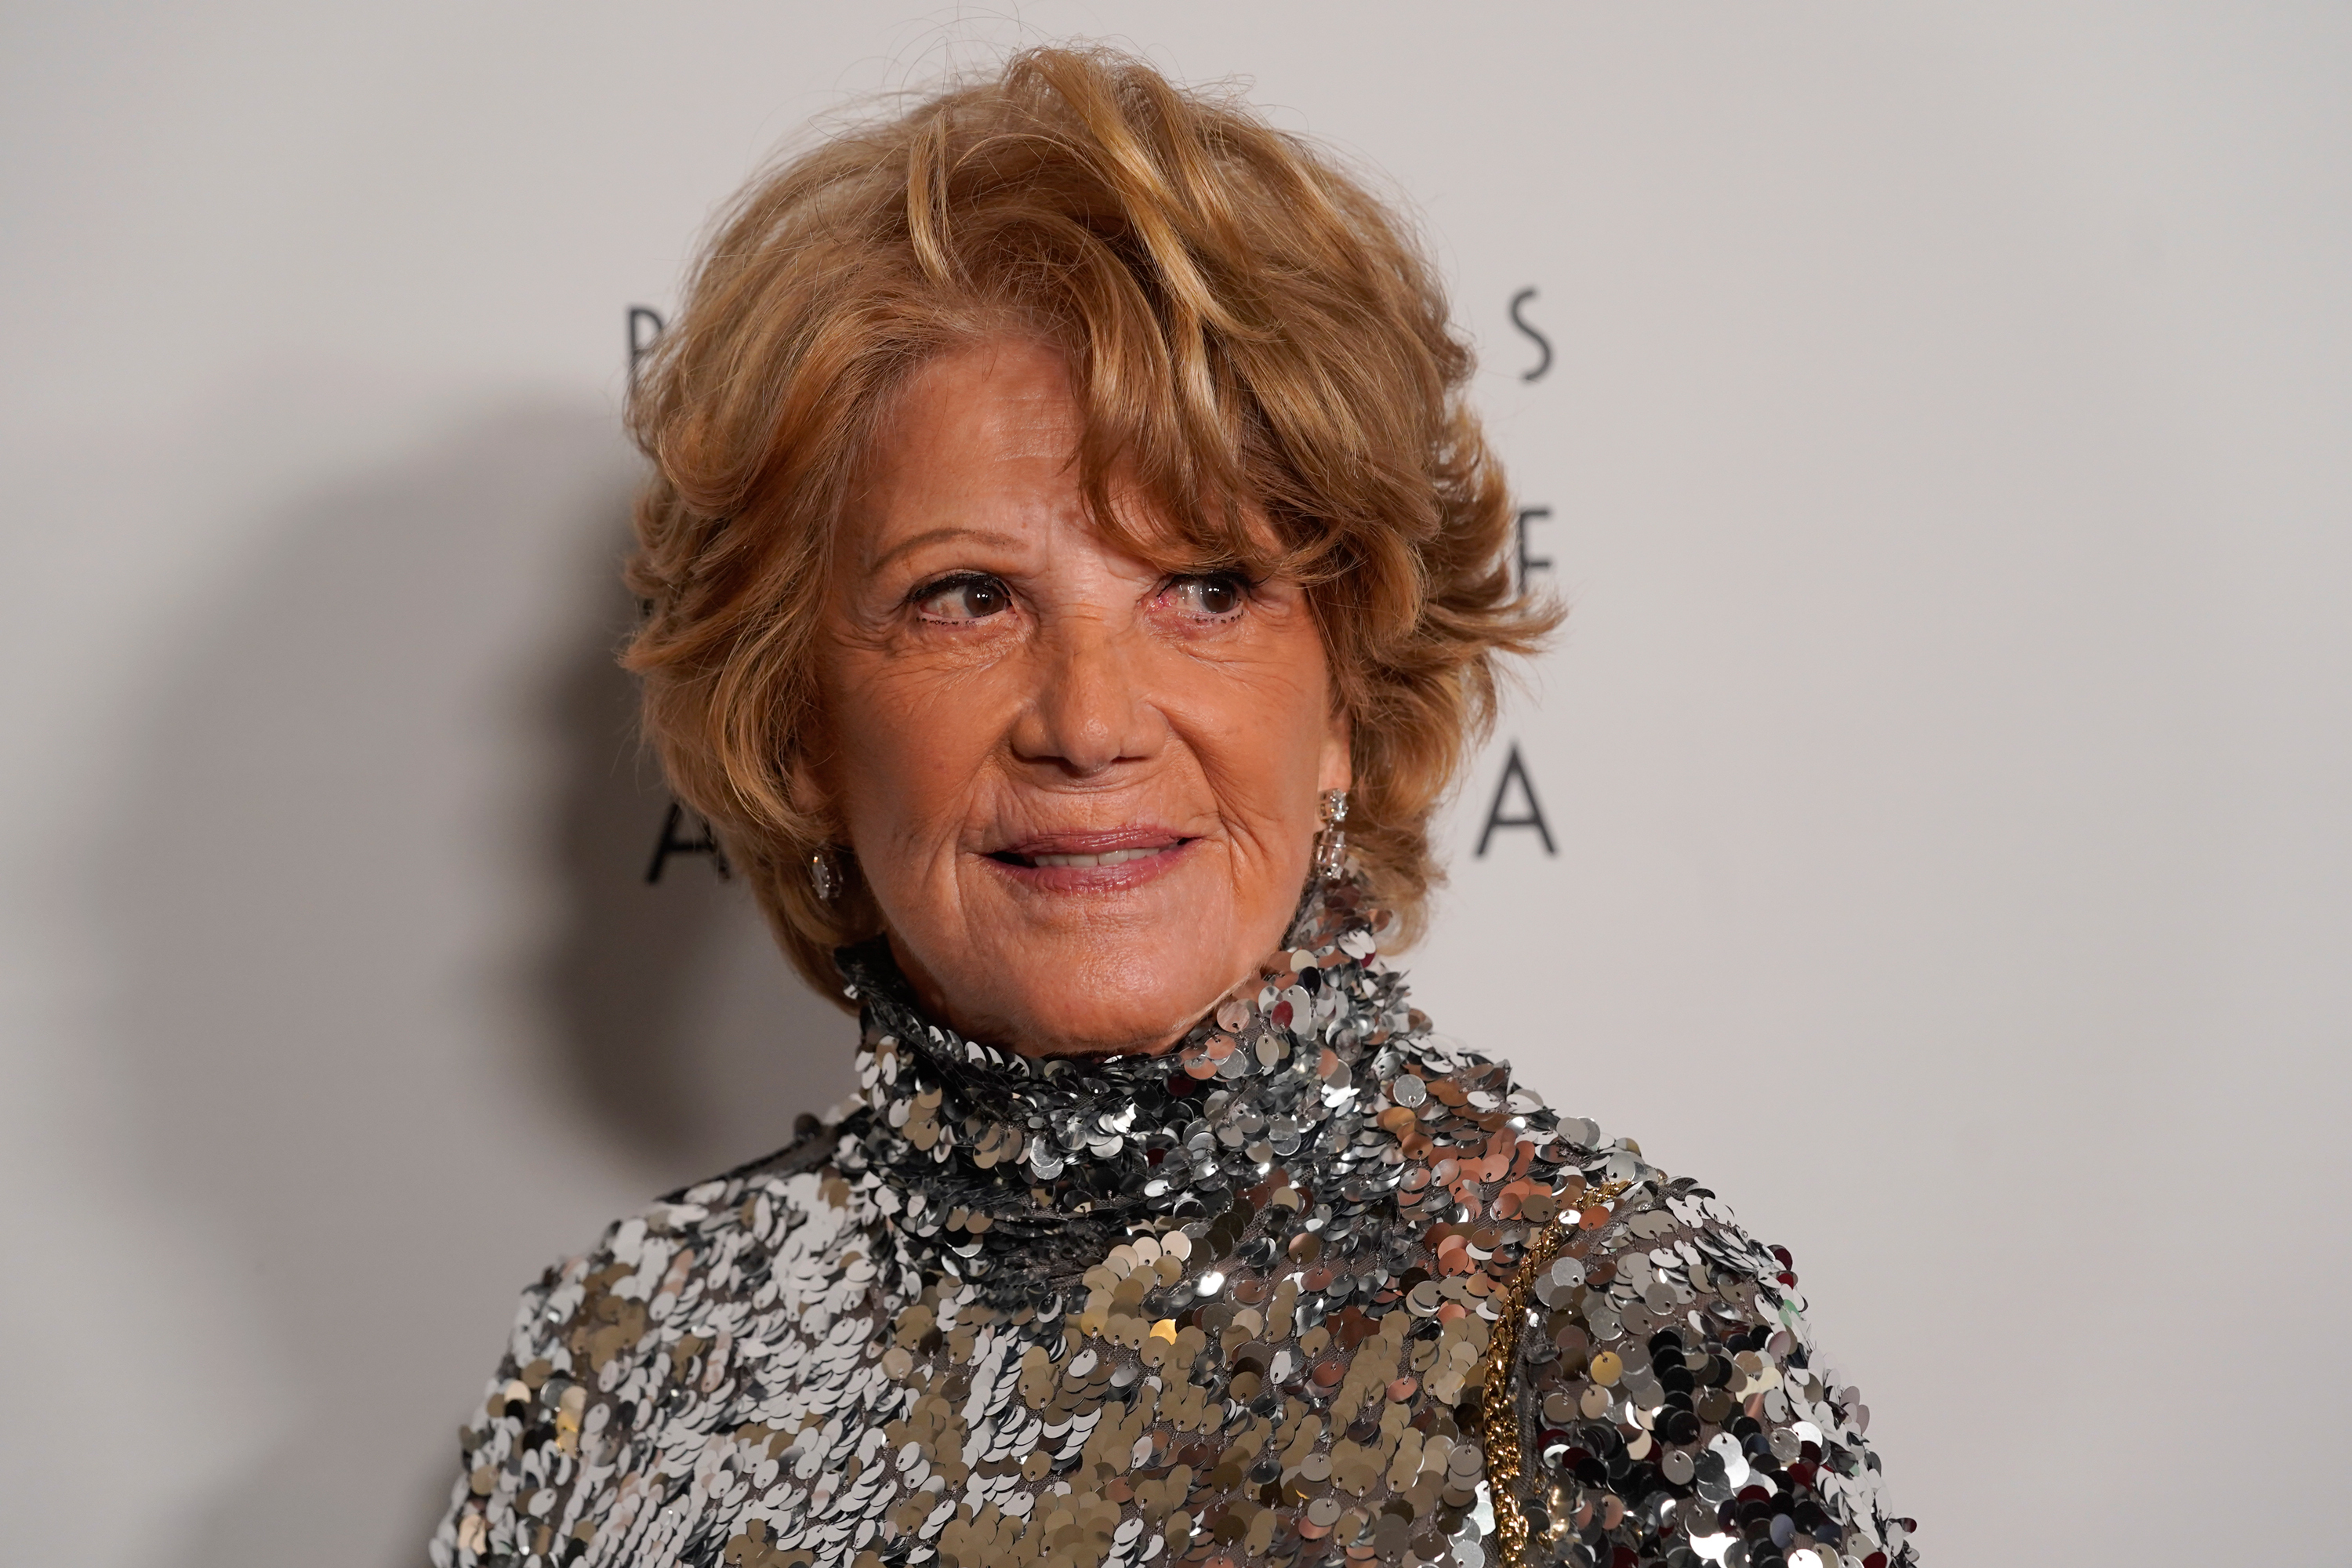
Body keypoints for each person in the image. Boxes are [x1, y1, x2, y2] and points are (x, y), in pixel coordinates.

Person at [433, 46, 1917, 1568]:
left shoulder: (1606, 1347)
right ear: (800, 715)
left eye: (1206, 588)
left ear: (1343, 691)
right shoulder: (619, 1360)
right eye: (967, 596)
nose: (1088, 719)